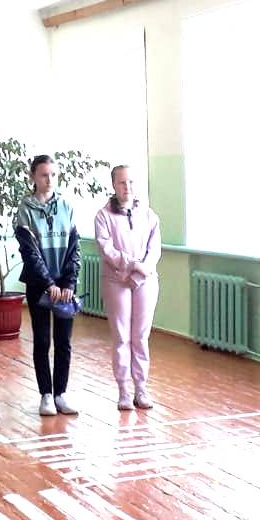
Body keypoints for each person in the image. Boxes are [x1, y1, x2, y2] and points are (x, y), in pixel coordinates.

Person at [14, 154, 82, 416]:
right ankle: (46, 395)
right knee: (42, 340)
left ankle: (61, 394)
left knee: (63, 342)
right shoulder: (25, 209)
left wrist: (69, 282)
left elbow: (74, 249)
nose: (49, 179)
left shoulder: (66, 206)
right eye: (44, 174)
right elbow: (29, 252)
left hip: (65, 288)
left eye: (53, 174)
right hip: (38, 285)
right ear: (33, 176)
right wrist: (48, 283)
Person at [94, 164, 163, 411]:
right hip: (117, 281)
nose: (127, 187)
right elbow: (107, 249)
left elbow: (154, 249)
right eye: (122, 183)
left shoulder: (149, 215)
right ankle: (123, 391)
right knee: (122, 337)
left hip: (145, 280)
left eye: (131, 182)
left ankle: (141, 389)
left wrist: (142, 269)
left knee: (140, 337)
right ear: (114, 185)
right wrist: (132, 264)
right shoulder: (103, 216)